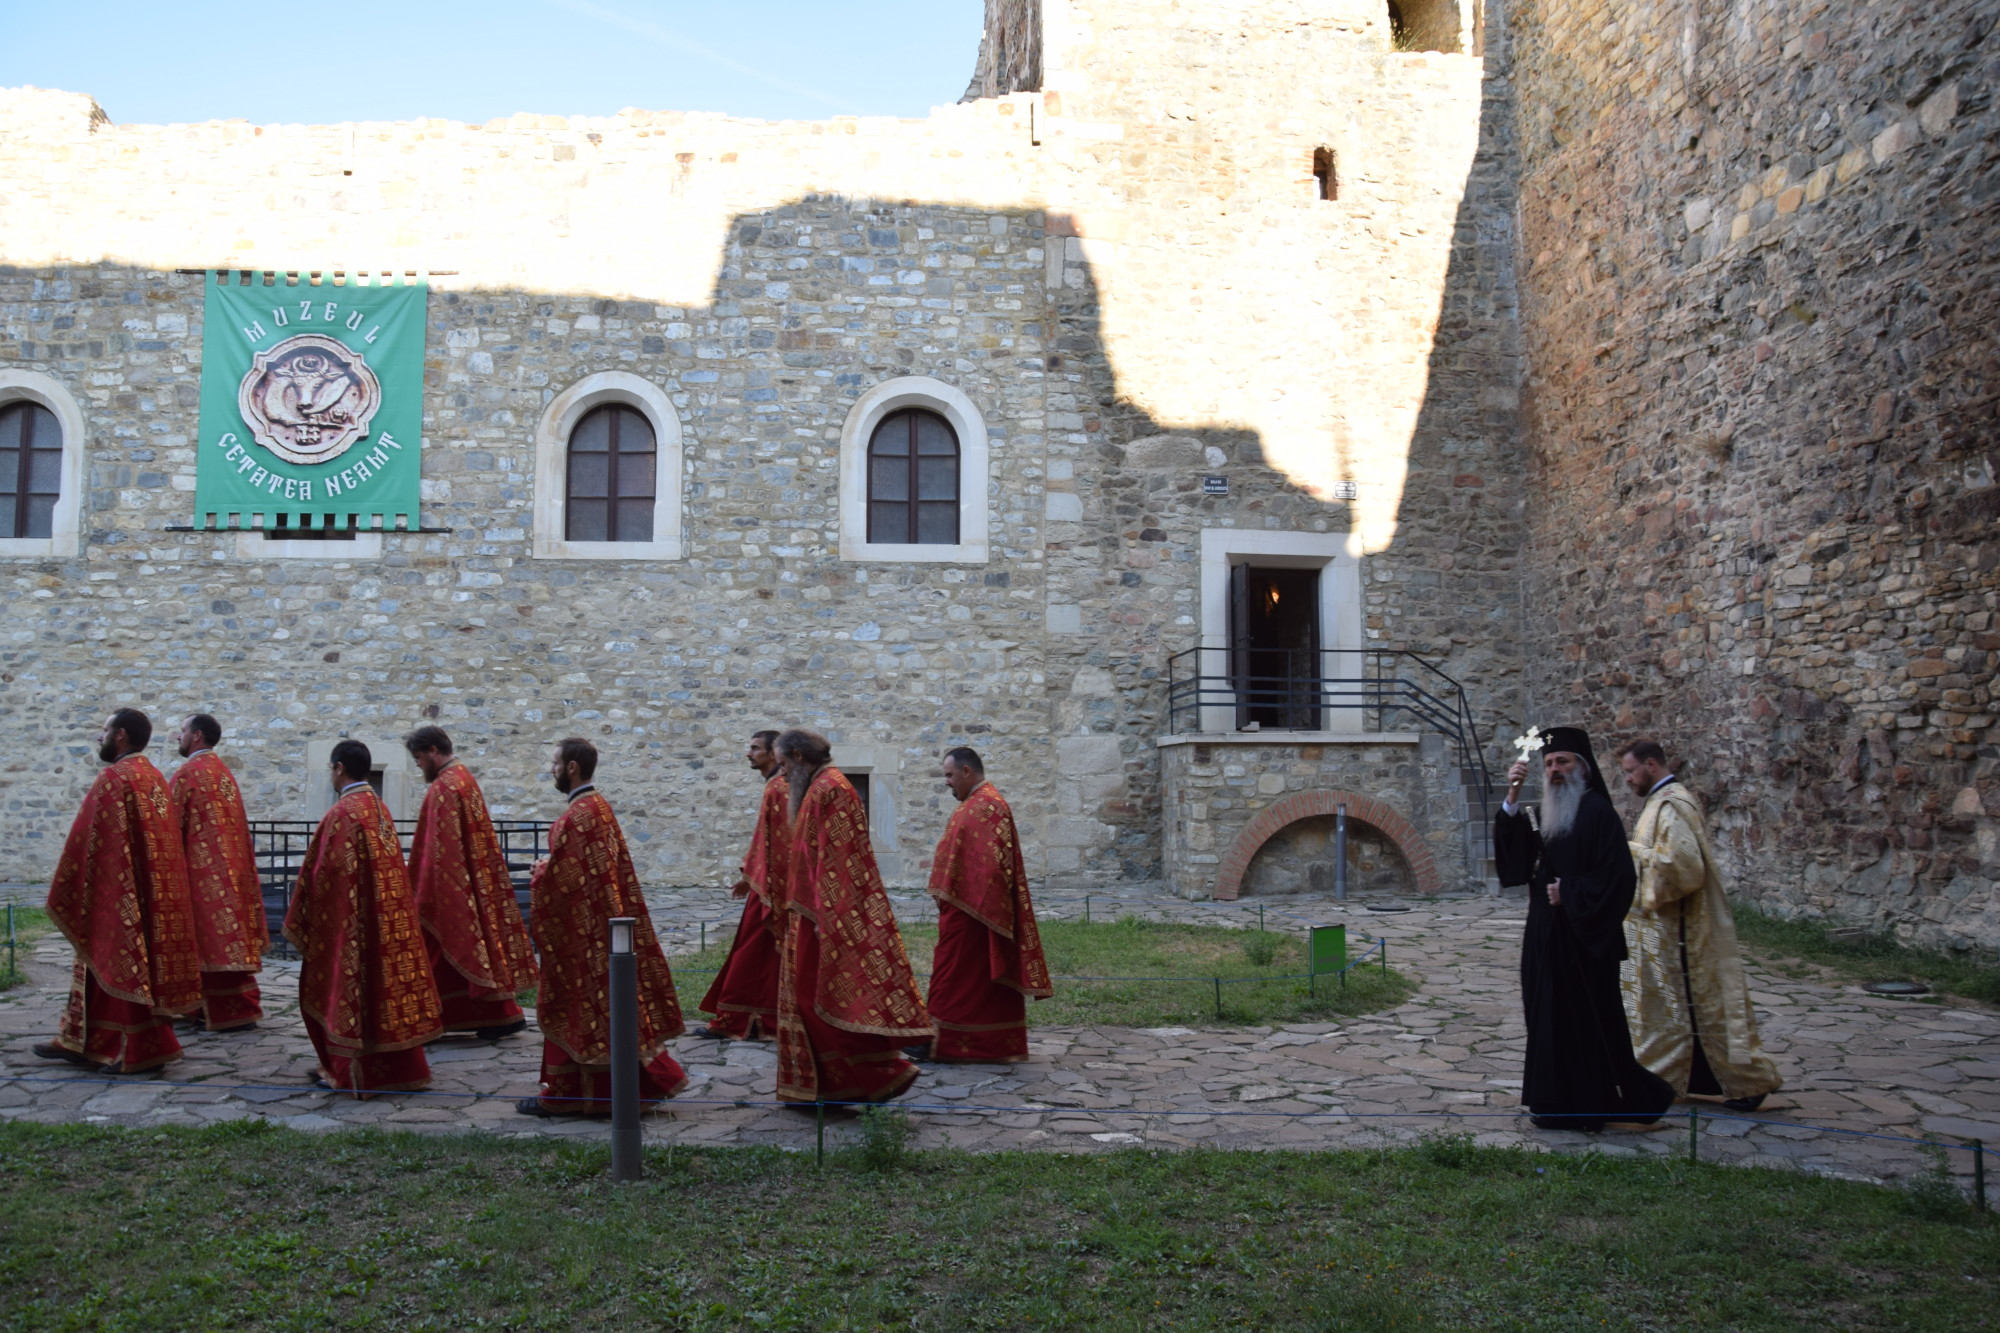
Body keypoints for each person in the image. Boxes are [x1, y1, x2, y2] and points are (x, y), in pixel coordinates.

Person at [1495, 726, 1675, 1132]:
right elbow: (1516, 864)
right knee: (1546, 1020)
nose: (1556, 770)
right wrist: (1511, 797)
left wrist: (1572, 893)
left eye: (1563, 762)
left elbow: (1618, 877)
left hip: (1584, 940)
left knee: (1583, 1023)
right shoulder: (1544, 812)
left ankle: (1588, 1105)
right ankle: (1550, 1102)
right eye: (1549, 764)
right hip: (1545, 935)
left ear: (1583, 768)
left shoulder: (1598, 812)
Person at [519, 737, 688, 1116]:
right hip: (603, 929)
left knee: (579, 1008)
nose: (552, 769)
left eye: (555, 762)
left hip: (584, 935)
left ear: (572, 767)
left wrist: (540, 873)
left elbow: (564, 882)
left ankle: (568, 1094)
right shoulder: (598, 808)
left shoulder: (576, 817)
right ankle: (612, 1090)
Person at [1617, 740, 1783, 1112]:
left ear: (1652, 764)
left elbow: (1683, 868)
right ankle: (1671, 1077)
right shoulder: (1660, 802)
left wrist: (1632, 853)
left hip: (1681, 933)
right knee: (1680, 1010)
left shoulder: (1672, 804)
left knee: (1700, 1007)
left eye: (1630, 771)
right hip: (1665, 930)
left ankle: (1746, 1081)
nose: (1627, 779)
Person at [34, 709, 202, 1073]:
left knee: (117, 962)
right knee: (120, 966)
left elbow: (89, 843)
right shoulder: (153, 777)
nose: (100, 736)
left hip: (116, 893)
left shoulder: (114, 779)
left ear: (120, 735)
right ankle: (83, 1040)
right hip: (150, 895)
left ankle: (134, 1048)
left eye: (105, 730)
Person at [772, 728, 930, 1106]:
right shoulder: (819, 787)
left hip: (823, 916)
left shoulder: (832, 789)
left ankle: (876, 1078)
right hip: (809, 913)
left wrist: (829, 921)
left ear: (798, 756)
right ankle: (825, 1087)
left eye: (781, 765)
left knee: (822, 1002)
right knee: (809, 1002)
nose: (779, 775)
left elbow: (840, 862)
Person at [284, 739, 441, 1096]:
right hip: (384, 924)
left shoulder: (341, 814)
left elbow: (323, 876)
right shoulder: (378, 808)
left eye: (331, 769)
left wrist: (311, 919)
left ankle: (351, 1071)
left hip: (350, 926)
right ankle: (397, 1071)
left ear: (339, 768)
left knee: (352, 991)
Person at [917, 747, 1052, 1063]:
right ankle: (945, 1039)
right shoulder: (975, 804)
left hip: (976, 913)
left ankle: (943, 1040)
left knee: (955, 978)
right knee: (956, 976)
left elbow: (993, 868)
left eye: (949, 775)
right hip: (965, 909)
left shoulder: (989, 806)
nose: (947, 782)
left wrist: (980, 905)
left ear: (966, 772)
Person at [403, 726, 538, 1041]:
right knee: (475, 950)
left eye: (419, 758)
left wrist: (422, 889)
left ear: (434, 751)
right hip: (471, 882)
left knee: (438, 951)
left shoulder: (445, 788)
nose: (419, 765)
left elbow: (441, 853)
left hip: (449, 889)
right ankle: (496, 1014)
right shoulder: (464, 779)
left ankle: (424, 1019)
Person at [169, 713, 267, 1031]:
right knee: (226, 941)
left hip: (200, 879)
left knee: (207, 942)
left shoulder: (188, 774)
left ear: (196, 736)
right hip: (230, 876)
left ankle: (210, 1010)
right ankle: (234, 1008)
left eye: (181, 731)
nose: (176, 737)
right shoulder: (223, 774)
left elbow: (168, 829)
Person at [695, 729, 788, 1041]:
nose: (749, 753)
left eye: (755, 748)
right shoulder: (776, 786)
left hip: (771, 887)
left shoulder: (779, 788)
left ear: (774, 753)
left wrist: (756, 877)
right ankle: (756, 1019)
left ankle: (738, 1019)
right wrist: (750, 875)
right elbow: (768, 840)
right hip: (763, 882)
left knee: (751, 953)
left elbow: (781, 842)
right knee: (757, 954)